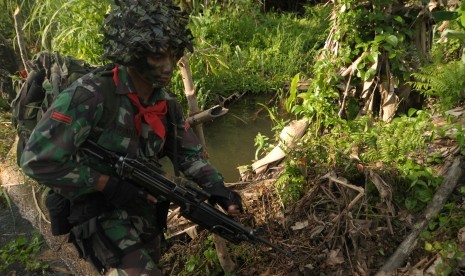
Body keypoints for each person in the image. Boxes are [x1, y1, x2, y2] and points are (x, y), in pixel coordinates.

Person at [20, 0, 243, 275]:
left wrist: (218, 189)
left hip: (144, 211)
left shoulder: (165, 103)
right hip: (99, 211)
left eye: (172, 55)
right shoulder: (90, 96)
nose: (168, 66)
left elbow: (189, 155)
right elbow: (36, 160)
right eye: (157, 57)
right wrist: (105, 183)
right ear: (133, 54)